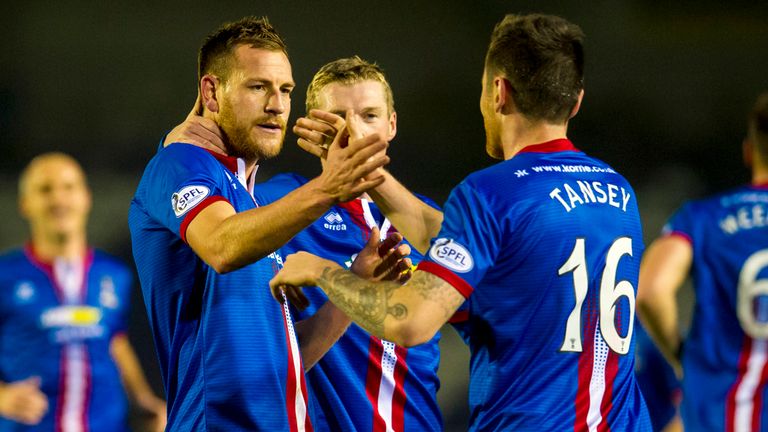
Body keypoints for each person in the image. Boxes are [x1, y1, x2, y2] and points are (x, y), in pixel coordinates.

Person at [271, 13, 651, 430]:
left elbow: (411, 321)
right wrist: (365, 172)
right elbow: (473, 241)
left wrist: (319, 271)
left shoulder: (490, 192)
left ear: (498, 91)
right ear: (575, 101)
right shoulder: (618, 192)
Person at [128, 17, 398, 431]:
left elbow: (284, 361)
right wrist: (329, 187)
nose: (277, 105)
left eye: (285, 90)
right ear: (211, 92)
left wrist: (357, 284)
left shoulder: (247, 199)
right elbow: (221, 245)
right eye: (258, 87)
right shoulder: (179, 164)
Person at [249, 56, 450, 432]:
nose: (354, 132)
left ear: (392, 124)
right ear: (311, 126)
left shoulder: (427, 222)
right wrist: (352, 283)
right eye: (338, 118)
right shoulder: (273, 207)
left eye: (369, 116)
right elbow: (266, 370)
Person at [0, 153, 166, 432]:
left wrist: (143, 400)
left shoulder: (114, 274)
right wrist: (2, 397)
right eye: (45, 190)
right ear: (25, 204)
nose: (59, 199)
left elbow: (115, 341)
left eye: (68, 187)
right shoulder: (6, 275)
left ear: (86, 197)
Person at [637, 92, 768, 431]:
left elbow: (651, 290)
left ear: (749, 152)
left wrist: (682, 358)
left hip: (723, 414)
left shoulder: (702, 218)